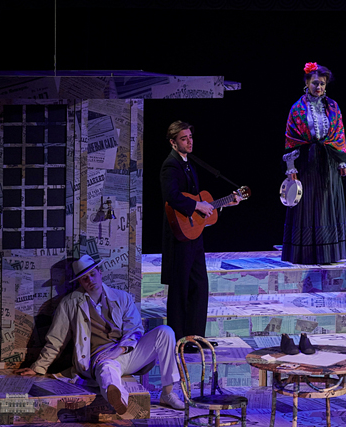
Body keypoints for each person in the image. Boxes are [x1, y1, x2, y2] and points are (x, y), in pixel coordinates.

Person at [15, 255, 185, 414]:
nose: (90, 280)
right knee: (107, 371)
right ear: (80, 281)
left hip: (127, 353)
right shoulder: (69, 303)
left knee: (165, 331)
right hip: (99, 359)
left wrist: (119, 350)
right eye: (84, 278)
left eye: (92, 274)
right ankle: (119, 401)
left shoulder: (122, 297)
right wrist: (38, 368)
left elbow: (135, 329)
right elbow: (56, 340)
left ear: (100, 273)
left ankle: (168, 393)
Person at [160, 120, 240, 350]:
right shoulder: (171, 165)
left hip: (194, 235)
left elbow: (201, 202)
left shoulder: (189, 164)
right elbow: (172, 196)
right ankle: (178, 340)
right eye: (184, 138)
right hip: (179, 236)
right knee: (180, 288)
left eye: (190, 137)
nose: (189, 142)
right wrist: (197, 206)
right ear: (173, 142)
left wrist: (224, 204)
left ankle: (195, 338)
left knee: (199, 285)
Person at [281, 62, 346, 265]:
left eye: (322, 84)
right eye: (315, 83)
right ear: (307, 83)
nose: (319, 87)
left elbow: (339, 135)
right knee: (308, 206)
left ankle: (330, 254)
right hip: (307, 163)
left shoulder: (333, 106)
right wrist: (290, 167)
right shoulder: (297, 108)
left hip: (329, 163)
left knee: (327, 206)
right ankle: (305, 254)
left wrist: (342, 162)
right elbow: (291, 139)